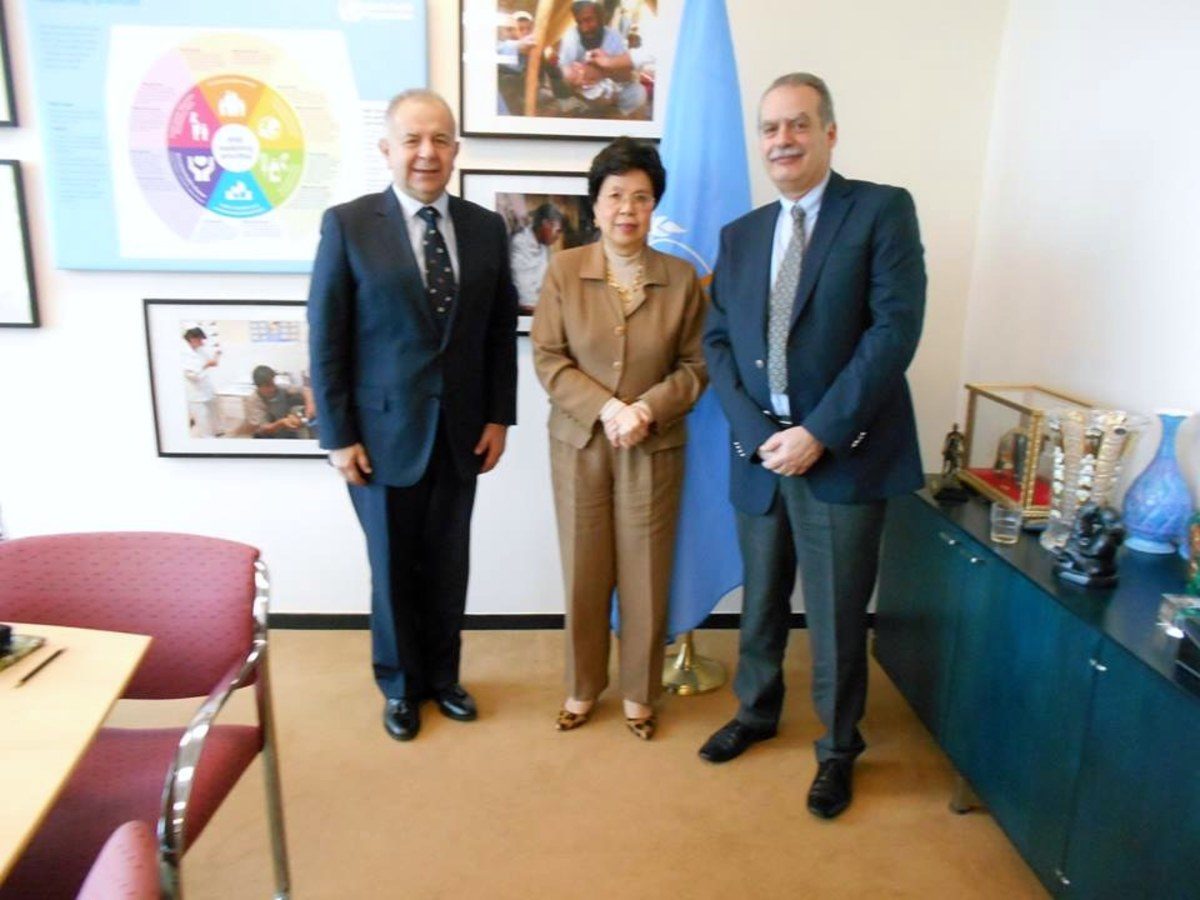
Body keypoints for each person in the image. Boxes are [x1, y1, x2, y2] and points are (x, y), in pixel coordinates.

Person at [700, 73, 926, 818]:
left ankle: (837, 748)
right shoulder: (740, 236)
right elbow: (717, 341)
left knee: (834, 615)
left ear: (830, 132)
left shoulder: (882, 211)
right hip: (761, 454)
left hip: (844, 453)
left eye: (798, 124)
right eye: (770, 128)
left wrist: (818, 433)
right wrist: (757, 432)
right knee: (762, 601)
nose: (782, 140)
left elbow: (894, 332)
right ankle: (756, 711)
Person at [307, 89, 518, 742]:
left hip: (461, 433)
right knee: (394, 569)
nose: (427, 153)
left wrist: (498, 417)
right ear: (387, 149)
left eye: (440, 140)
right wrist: (338, 436)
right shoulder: (348, 225)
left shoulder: (485, 228)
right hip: (379, 437)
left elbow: (498, 331)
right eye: (413, 140)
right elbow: (326, 336)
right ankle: (400, 686)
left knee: (449, 565)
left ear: (456, 149)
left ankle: (444, 678)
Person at [531, 137, 708, 740]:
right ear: (595, 205)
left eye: (640, 197)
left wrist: (646, 409)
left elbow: (697, 366)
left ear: (654, 205)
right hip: (579, 442)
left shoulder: (681, 279)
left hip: (653, 444)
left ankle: (639, 692)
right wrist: (608, 409)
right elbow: (548, 358)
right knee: (584, 570)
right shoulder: (563, 270)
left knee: (645, 573)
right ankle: (583, 686)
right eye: (614, 196)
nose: (627, 209)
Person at [556, 1, 646, 118]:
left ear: (601, 18)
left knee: (637, 92)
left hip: (612, 89)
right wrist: (576, 82)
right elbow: (564, 73)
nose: (584, 28)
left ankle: (614, 118)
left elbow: (626, 75)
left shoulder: (614, 36)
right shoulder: (571, 37)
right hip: (584, 94)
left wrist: (603, 71)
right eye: (579, 22)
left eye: (588, 20)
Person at [510, 202, 565, 311]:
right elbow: (525, 297)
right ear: (546, 224)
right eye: (557, 231)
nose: (558, 236)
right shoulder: (520, 243)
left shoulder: (544, 246)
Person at [245, 365, 314, 439]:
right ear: (258, 387)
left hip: (287, 432)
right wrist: (281, 423)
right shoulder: (253, 402)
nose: (272, 389)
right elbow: (263, 430)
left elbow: (305, 390)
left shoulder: (281, 389)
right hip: (267, 438)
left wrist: (310, 405)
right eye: (267, 386)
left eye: (272, 383)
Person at [181, 326, 221, 437]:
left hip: (206, 388)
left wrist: (216, 356)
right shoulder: (183, 353)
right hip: (195, 393)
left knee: (212, 414)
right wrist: (207, 365)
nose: (202, 343)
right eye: (200, 340)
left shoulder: (199, 349)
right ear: (192, 339)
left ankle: (216, 432)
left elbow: (210, 361)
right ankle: (207, 440)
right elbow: (192, 375)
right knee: (202, 419)